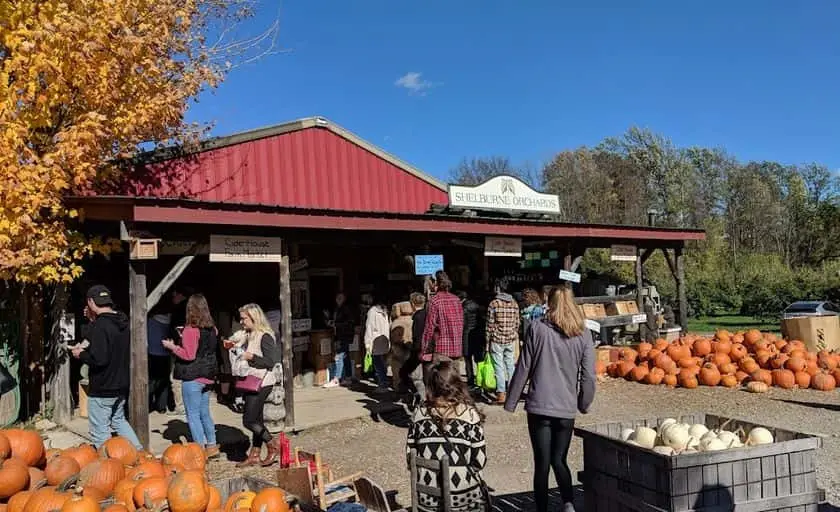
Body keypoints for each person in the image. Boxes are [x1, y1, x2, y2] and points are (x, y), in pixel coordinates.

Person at [504, 284, 596, 512]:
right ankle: (568, 503)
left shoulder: (537, 328)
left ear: (550, 303)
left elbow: (524, 366)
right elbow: (589, 376)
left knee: (542, 464)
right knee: (560, 460)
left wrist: (511, 401)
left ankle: (542, 509)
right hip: (565, 407)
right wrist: (583, 403)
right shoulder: (583, 333)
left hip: (539, 405)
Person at [406, 361, 487, 512]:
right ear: (456, 384)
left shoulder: (418, 414)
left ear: (430, 386)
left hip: (426, 499)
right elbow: (479, 461)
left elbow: (410, 458)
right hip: (462, 499)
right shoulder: (469, 415)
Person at [71, 285, 143, 450]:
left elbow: (99, 359)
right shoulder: (122, 321)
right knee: (118, 420)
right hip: (121, 384)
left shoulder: (100, 326)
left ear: (90, 302)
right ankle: (138, 453)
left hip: (103, 386)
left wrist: (80, 354)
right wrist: (92, 321)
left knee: (100, 430)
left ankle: (108, 463)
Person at [162, 294, 219, 459]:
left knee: (192, 415)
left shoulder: (190, 330)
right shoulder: (213, 329)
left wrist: (172, 346)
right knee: (204, 413)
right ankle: (212, 445)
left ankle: (199, 451)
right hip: (208, 376)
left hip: (193, 377)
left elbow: (189, 355)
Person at [229, 303, 283, 467]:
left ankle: (273, 444)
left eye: (244, 318)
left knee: (249, 420)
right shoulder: (248, 334)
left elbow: (270, 361)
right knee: (257, 419)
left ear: (254, 318)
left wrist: (250, 356)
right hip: (251, 379)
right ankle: (255, 454)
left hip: (262, 381)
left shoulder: (265, 336)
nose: (242, 321)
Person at [421, 271, 464, 371]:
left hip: (441, 349)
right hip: (456, 348)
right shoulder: (456, 300)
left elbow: (429, 327)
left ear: (435, 283)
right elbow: (461, 324)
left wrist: (424, 349)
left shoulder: (435, 301)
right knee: (454, 382)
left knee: (441, 382)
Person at [486, 281, 520, 404]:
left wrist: (487, 340)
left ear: (499, 289)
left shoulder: (494, 304)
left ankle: (501, 394)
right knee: (510, 365)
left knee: (499, 367)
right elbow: (517, 323)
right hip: (510, 338)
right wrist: (513, 334)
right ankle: (512, 392)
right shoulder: (514, 304)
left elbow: (489, 324)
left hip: (497, 339)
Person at [324, 292, 355, 388]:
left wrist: (335, 324)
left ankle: (336, 379)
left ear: (345, 298)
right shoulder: (338, 309)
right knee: (345, 357)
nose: (338, 299)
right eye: (337, 297)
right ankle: (348, 378)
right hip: (340, 335)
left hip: (344, 335)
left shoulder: (345, 309)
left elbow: (349, 323)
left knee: (339, 357)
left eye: (340, 297)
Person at [147, 304, 173, 414]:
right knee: (164, 381)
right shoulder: (169, 321)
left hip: (151, 352)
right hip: (165, 353)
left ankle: (147, 404)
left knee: (150, 380)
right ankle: (162, 406)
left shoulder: (150, 321)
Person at [364, 295, 391, 393]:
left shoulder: (372, 311)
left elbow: (369, 327)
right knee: (382, 363)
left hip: (375, 340)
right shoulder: (385, 311)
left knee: (378, 363)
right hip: (384, 339)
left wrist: (367, 343)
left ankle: (382, 384)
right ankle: (384, 382)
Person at [388, 301, 414, 393]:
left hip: (399, 351)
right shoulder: (412, 320)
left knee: (397, 371)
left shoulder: (396, 323)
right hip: (410, 350)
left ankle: (399, 388)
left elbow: (394, 338)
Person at [458, 291, 481, 387]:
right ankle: (480, 379)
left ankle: (470, 379)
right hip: (476, 334)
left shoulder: (463, 308)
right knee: (478, 359)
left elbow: (462, 323)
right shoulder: (477, 306)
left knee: (467, 359)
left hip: (466, 335)